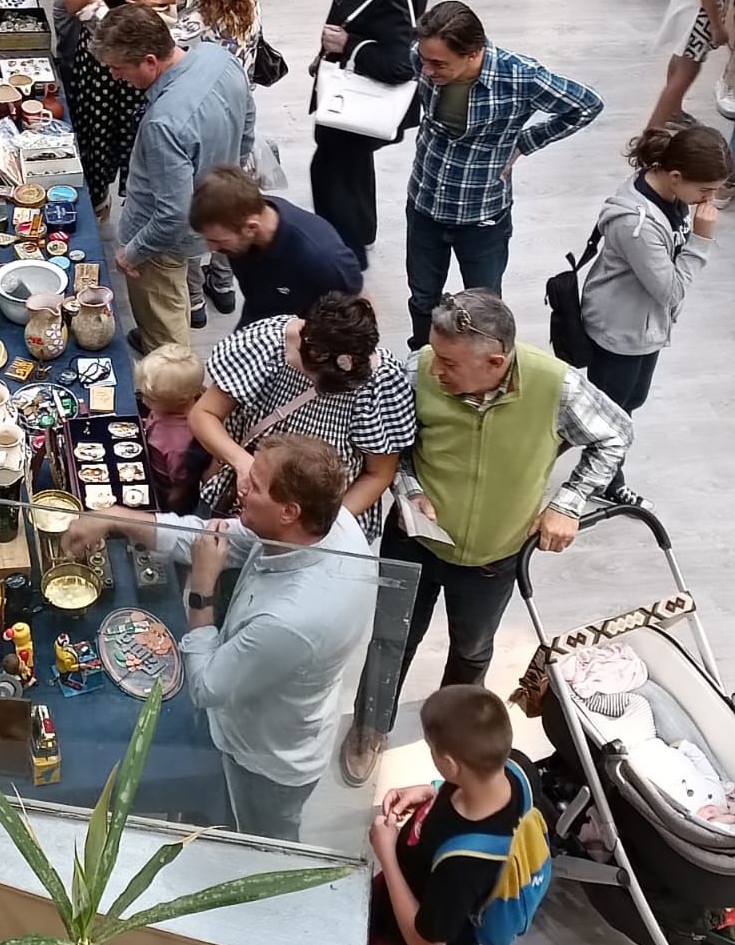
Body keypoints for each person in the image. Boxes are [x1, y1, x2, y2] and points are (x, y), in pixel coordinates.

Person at [339, 290, 632, 788]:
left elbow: (615, 434)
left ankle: (454, 737)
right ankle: (370, 726)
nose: (436, 372)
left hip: (494, 555)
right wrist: (409, 491)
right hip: (413, 542)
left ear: (495, 361)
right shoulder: (416, 371)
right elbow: (393, 446)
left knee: (472, 648)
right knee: (391, 637)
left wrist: (567, 504)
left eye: (450, 363)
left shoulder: (555, 384)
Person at [61, 436, 376, 842]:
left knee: (264, 846)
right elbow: (207, 538)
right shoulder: (325, 522)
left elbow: (207, 686)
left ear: (289, 512)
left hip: (264, 759)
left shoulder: (293, 619)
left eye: (256, 485)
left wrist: (202, 588)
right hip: (255, 715)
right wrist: (116, 517)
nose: (240, 484)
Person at [359, 686, 536, 945]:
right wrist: (433, 792)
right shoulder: (516, 769)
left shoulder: (464, 865)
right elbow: (476, 792)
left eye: (433, 753)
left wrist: (386, 852)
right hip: (408, 907)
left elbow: (425, 944)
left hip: (408, 944)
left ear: (451, 763)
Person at [405, 0, 602, 349]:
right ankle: (423, 358)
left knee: (484, 306)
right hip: (424, 202)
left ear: (473, 53)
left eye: (438, 64)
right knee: (422, 297)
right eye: (423, 59)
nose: (426, 70)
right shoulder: (422, 58)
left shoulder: (520, 77)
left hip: (481, 216)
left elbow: (586, 105)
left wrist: (525, 142)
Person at [90, 4, 255, 353]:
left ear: (150, 61)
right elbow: (248, 127)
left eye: (118, 69)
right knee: (174, 299)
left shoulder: (164, 123)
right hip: (208, 209)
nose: (116, 77)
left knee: (166, 328)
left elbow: (171, 215)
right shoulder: (219, 58)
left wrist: (132, 253)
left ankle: (173, 392)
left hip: (161, 241)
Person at [189, 293, 416, 545]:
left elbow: (378, 473)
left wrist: (323, 529)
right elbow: (204, 414)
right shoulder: (267, 343)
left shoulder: (381, 383)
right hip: (243, 503)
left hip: (317, 526)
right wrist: (243, 463)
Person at [581, 126, 730, 505]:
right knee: (610, 416)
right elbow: (671, 290)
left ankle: (600, 471)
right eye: (705, 190)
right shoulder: (637, 224)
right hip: (621, 329)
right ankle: (603, 483)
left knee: (627, 404)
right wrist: (702, 239)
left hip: (645, 326)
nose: (710, 200)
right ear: (676, 177)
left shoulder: (670, 193)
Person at [310, 0, 430, 270]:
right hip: (350, 94)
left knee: (330, 171)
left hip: (360, 100)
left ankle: (346, 256)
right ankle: (361, 230)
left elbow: (400, 64)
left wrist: (348, 46)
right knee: (353, 165)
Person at [58, 0, 188, 213]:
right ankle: (96, 202)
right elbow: (70, 5)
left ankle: (137, 209)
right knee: (91, 141)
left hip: (140, 66)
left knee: (137, 143)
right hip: (97, 60)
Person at [163, 0, 263, 323]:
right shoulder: (248, 0)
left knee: (196, 210)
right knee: (231, 205)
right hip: (237, 117)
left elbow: (159, 53)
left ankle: (193, 301)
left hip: (199, 128)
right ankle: (222, 284)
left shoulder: (196, 23)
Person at [189, 166, 364, 327]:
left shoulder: (323, 260)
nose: (211, 248)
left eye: (218, 241)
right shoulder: (245, 212)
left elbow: (360, 311)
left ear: (251, 228)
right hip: (260, 327)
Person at [135, 342, 206, 511]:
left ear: (181, 399)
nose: (143, 401)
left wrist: (167, 511)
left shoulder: (179, 445)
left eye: (150, 398)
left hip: (160, 489)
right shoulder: (167, 407)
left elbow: (180, 487)